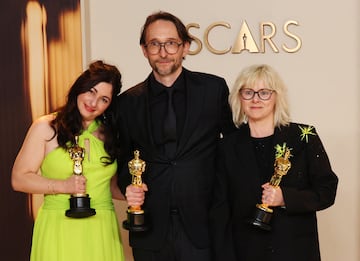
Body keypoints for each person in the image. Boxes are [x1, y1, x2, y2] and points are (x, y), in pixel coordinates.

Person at [115, 11, 236, 261]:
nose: (163, 52)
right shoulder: (127, 103)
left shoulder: (213, 90)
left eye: (171, 43)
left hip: (204, 225)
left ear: (186, 47)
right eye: (155, 44)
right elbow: (124, 157)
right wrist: (130, 186)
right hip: (149, 226)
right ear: (144, 49)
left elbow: (233, 147)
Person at [214, 64, 338, 260]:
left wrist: (285, 198)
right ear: (239, 98)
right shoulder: (225, 147)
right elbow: (219, 209)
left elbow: (327, 191)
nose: (255, 99)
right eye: (248, 92)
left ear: (276, 97)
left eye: (264, 92)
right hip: (245, 251)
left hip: (295, 250)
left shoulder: (304, 137)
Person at [11, 60, 125, 261]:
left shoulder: (110, 135)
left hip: (102, 229)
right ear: (79, 88)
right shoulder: (46, 127)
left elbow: (111, 187)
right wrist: (62, 186)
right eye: (91, 91)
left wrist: (133, 193)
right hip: (59, 226)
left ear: (109, 105)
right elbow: (19, 179)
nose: (93, 102)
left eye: (104, 99)